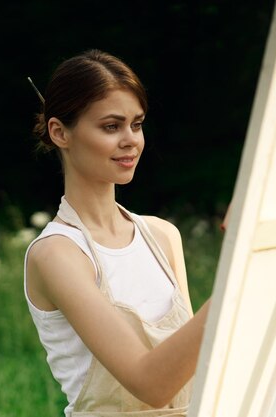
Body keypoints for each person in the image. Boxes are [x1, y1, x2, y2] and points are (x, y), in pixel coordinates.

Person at [24, 49, 210, 417]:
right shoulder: (57, 254)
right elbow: (150, 384)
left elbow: (196, 370)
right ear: (59, 132)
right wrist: (239, 285)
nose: (131, 140)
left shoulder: (162, 236)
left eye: (136, 124)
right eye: (111, 126)